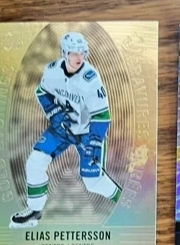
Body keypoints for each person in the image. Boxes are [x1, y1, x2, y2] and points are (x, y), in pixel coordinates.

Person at [10, 31, 120, 228]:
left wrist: (94, 142)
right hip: (61, 129)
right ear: (64, 53)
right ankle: (34, 210)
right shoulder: (52, 71)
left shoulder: (90, 79)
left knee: (92, 182)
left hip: (87, 132)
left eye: (82, 52)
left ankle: (122, 199)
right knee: (34, 162)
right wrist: (53, 112)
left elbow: (102, 116)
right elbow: (42, 92)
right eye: (73, 53)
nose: (79, 57)